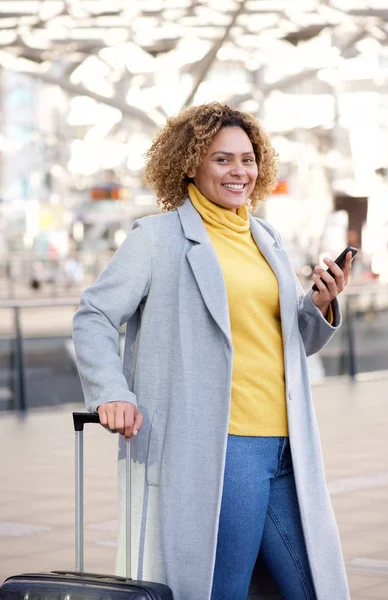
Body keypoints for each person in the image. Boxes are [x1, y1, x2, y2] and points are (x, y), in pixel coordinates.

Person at [73, 102, 352, 600]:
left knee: (311, 587)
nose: (239, 171)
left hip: (290, 445)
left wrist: (321, 305)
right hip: (225, 447)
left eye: (248, 159)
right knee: (222, 589)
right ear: (190, 163)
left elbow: (291, 343)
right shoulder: (156, 239)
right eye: (223, 159)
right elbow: (94, 315)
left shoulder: (266, 237)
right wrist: (111, 391)